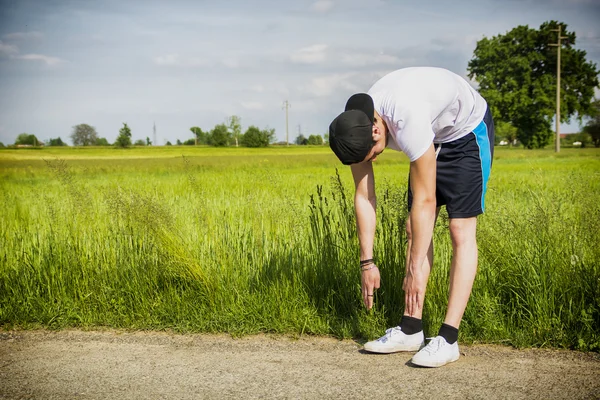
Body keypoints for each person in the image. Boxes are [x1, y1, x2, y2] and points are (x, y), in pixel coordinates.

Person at [328, 67, 494, 368]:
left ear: (376, 130)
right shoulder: (355, 124)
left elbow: (426, 202)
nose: (375, 158)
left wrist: (414, 270)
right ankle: (411, 329)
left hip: (466, 134)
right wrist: (367, 262)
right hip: (433, 135)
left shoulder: (407, 118)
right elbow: (365, 196)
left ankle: (449, 338)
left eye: (375, 153)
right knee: (412, 228)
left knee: (459, 229)